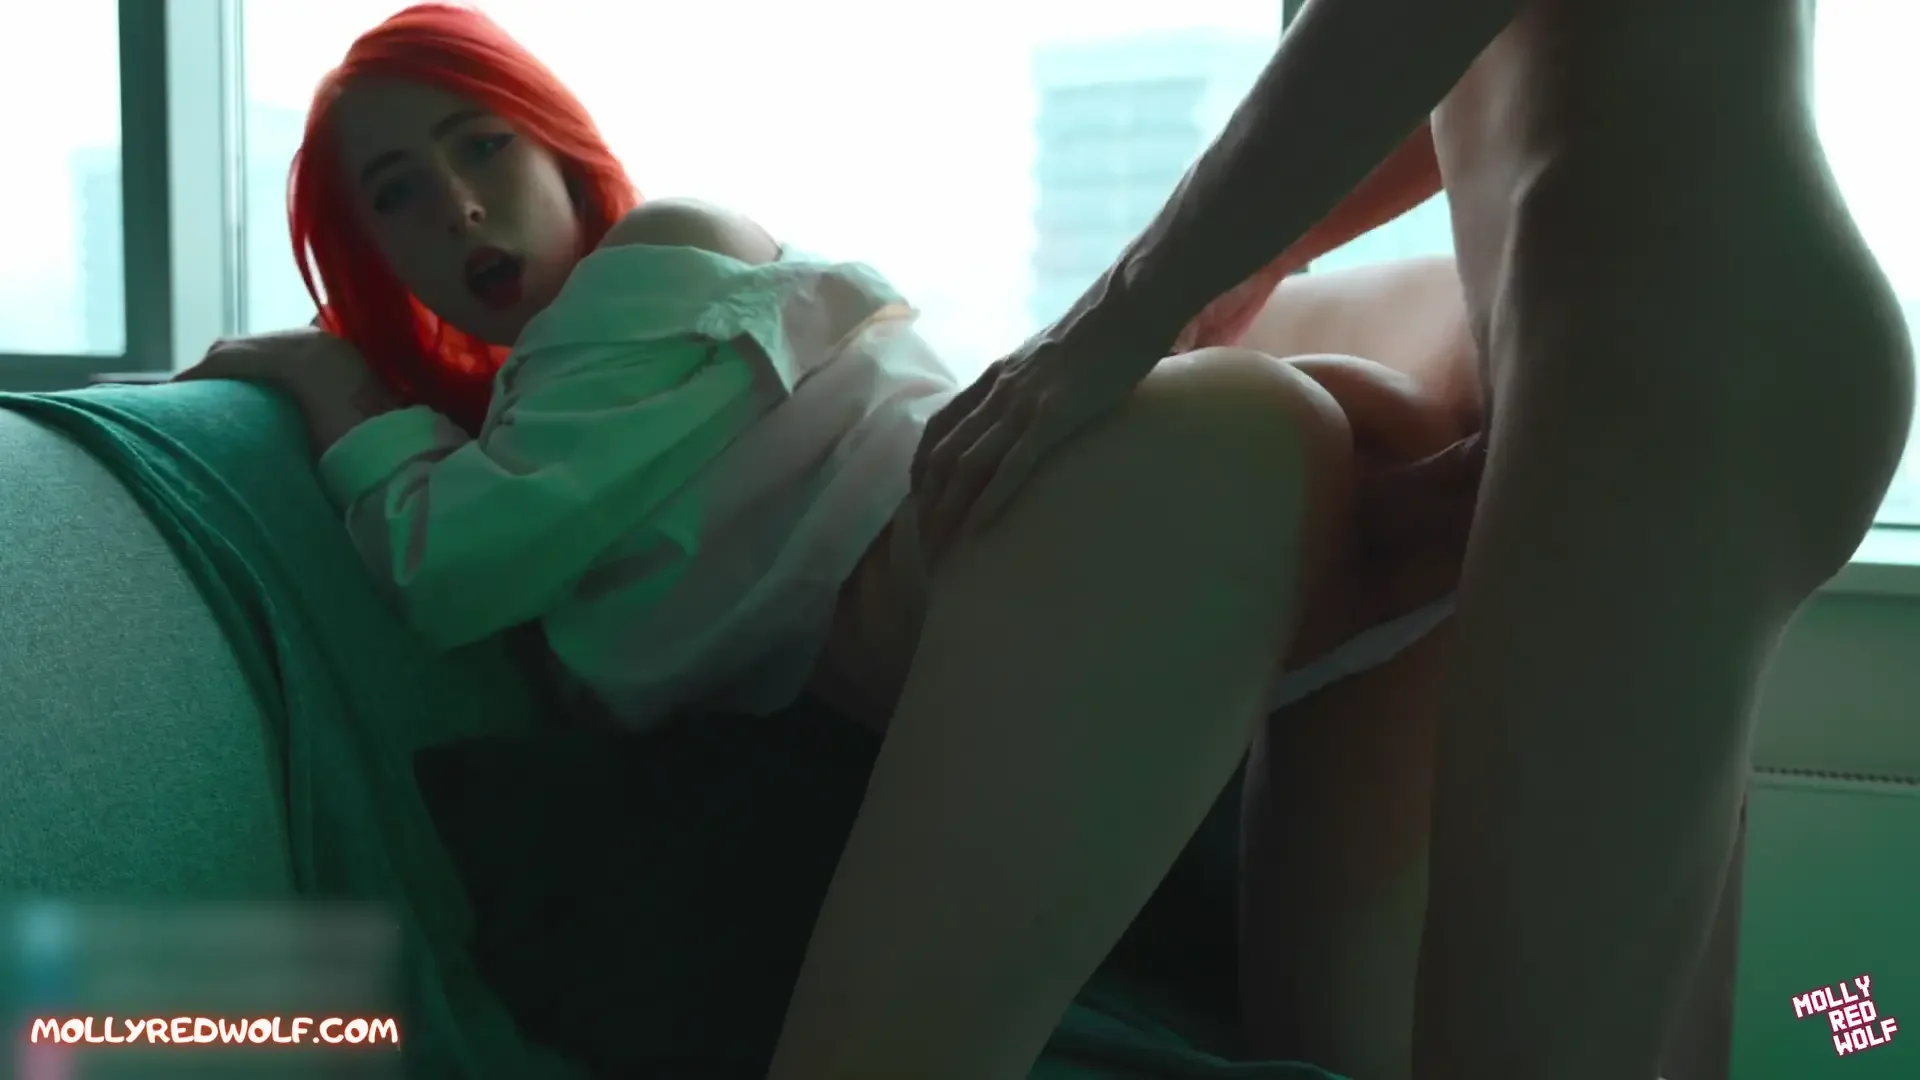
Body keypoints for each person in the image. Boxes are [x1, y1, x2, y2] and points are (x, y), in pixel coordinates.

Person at [176, 3, 1489, 1077]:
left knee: (1315, 405)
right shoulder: (551, 405)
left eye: (482, 148)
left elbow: (452, 564)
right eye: (400, 196)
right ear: (375, 256)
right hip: (1090, 598)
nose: (460, 209)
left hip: (1044, 545)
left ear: (557, 147)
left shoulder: (658, 264)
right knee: (1348, 1042)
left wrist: (330, 384)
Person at [822, 0, 1918, 1079]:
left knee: (1523, 1052)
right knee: (1638, 1025)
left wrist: (1123, 313)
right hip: (1684, 345)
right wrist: (1256, 254)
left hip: (1673, 359)